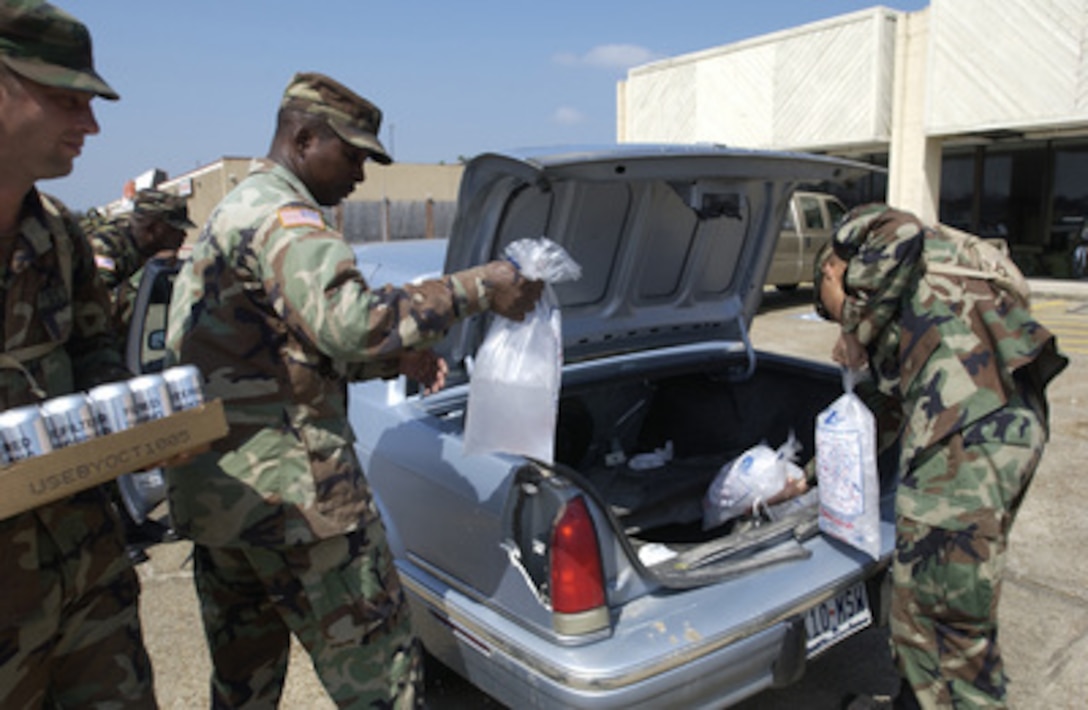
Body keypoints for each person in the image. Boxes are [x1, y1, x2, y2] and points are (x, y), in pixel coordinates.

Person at [164, 71, 543, 708]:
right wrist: (481, 286)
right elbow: (349, 323)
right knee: (384, 679)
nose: (361, 175)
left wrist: (394, 362)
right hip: (298, 506)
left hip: (224, 498)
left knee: (243, 684)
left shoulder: (236, 208)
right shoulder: (287, 218)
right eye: (354, 155)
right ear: (305, 137)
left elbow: (273, 353)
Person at [812, 204, 1068, 709]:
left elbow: (899, 224)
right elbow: (887, 406)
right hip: (989, 430)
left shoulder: (864, 246)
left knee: (948, 616)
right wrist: (809, 477)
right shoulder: (909, 298)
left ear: (830, 271)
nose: (830, 316)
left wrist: (848, 321)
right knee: (921, 598)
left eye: (824, 303)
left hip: (970, 437)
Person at [0, 1, 157, 706]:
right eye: (67, 99)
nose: (90, 125)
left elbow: (93, 347)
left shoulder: (57, 236)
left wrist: (132, 422)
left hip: (85, 589)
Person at [86, 187, 195, 339]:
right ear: (152, 229)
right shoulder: (105, 247)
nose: (183, 235)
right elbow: (98, 312)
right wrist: (147, 273)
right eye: (174, 229)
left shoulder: (149, 247)